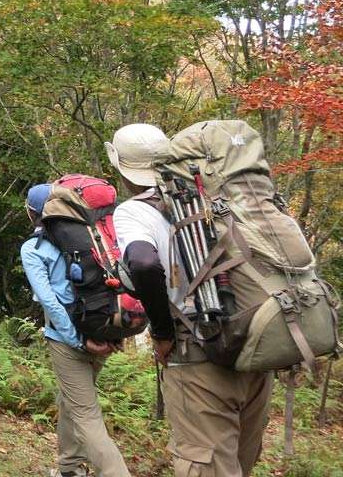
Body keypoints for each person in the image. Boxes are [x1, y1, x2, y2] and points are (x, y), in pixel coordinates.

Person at [108, 123, 273, 477]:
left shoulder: (134, 211)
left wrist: (162, 333)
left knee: (207, 467)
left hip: (200, 358)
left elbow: (143, 263)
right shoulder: (218, 199)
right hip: (256, 347)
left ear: (121, 167)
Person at [21, 183, 132, 477]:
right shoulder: (97, 238)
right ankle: (69, 466)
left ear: (33, 212)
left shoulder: (33, 248)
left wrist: (77, 340)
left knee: (85, 413)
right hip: (104, 328)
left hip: (68, 339)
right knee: (71, 397)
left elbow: (49, 302)